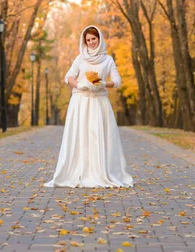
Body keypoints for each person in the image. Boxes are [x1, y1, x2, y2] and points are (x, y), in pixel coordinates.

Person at [44, 25, 134, 188]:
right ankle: (79, 170)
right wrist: (79, 85)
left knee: (97, 135)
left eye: (94, 39)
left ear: (99, 39)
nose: (91, 42)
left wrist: (102, 84)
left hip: (99, 103)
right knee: (81, 135)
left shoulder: (108, 60)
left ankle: (100, 171)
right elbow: (68, 77)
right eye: (88, 40)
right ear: (84, 42)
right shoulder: (80, 58)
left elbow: (118, 81)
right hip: (80, 102)